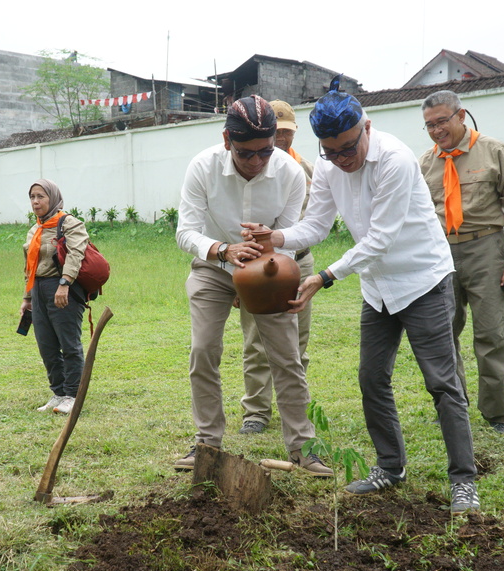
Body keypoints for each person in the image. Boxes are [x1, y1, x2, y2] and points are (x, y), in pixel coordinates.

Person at [247, 77, 479, 513]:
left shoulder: (395, 159)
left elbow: (381, 238)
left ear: (366, 128)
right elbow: (316, 226)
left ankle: (463, 481)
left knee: (442, 383)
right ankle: (390, 467)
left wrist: (325, 276)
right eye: (330, 151)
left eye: (348, 148)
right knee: (372, 379)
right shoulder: (329, 167)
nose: (341, 159)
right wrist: (274, 237)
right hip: (378, 288)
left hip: (423, 281)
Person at [175, 94, 331, 477]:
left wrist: (266, 250)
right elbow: (185, 232)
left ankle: (303, 448)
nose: (257, 161)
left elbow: (289, 237)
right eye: (246, 153)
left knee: (287, 355)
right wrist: (224, 251)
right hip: (213, 265)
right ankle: (207, 444)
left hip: (267, 268)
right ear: (227, 140)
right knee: (203, 350)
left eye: (265, 151)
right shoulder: (203, 167)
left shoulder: (290, 173)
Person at [418, 90, 504, 435]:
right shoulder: (425, 163)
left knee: (492, 333)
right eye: (429, 125)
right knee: (442, 334)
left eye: (442, 121)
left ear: (461, 116)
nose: (437, 130)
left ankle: (497, 414)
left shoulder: (494, 151)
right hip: (440, 254)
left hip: (486, 250)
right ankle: (452, 407)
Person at [237, 100, 316, 436]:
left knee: (297, 339)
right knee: (256, 340)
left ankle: (295, 407)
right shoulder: (247, 170)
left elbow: (313, 220)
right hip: (258, 266)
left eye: (288, 133)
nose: (282, 139)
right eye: (277, 133)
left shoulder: (305, 169)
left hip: (299, 262)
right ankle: (256, 410)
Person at [20, 179, 89, 416]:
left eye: (41, 196)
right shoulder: (35, 229)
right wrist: (27, 298)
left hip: (63, 288)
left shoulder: (69, 223)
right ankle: (58, 392)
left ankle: (72, 395)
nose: (35, 202)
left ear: (53, 198)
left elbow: (76, 254)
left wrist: (64, 284)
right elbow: (30, 266)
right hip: (38, 289)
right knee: (47, 346)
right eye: (32, 197)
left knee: (69, 344)